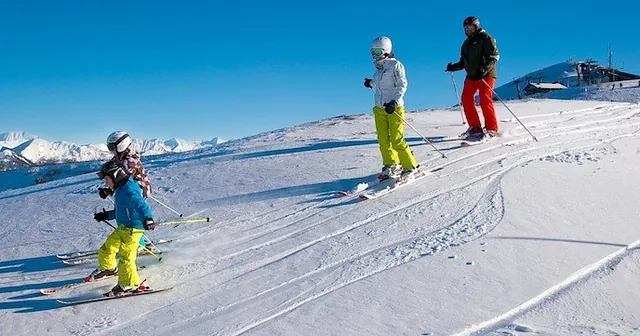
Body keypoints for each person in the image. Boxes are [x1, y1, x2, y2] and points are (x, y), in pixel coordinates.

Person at [89, 160, 156, 295]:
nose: (106, 183)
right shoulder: (121, 190)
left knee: (126, 258)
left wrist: (148, 218)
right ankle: (109, 268)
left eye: (107, 180)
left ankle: (129, 284)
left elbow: (141, 205)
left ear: (116, 176)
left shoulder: (129, 191)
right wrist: (106, 215)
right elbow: (122, 211)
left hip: (133, 230)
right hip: (123, 228)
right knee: (107, 248)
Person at [364, 36, 420, 180]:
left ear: (386, 51)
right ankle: (391, 164)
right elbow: (380, 86)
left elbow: (402, 85)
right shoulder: (378, 70)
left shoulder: (396, 65)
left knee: (396, 139)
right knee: (383, 139)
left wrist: (394, 102)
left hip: (394, 108)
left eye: (377, 52)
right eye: (372, 52)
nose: (374, 55)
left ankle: (410, 166)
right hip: (379, 108)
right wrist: (370, 83)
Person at [446, 16, 500, 141]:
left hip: (486, 75)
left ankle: (491, 128)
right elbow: (463, 62)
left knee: (484, 99)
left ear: (476, 26)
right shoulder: (466, 44)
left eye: (469, 27)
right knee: (466, 99)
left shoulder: (486, 38)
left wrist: (484, 69)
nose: (467, 30)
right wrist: (453, 67)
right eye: (465, 28)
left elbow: (494, 56)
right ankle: (475, 127)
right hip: (472, 76)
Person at [98, 131, 153, 249]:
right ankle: (136, 241)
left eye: (111, 147)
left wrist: (111, 190)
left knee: (133, 218)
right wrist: (108, 190)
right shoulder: (120, 157)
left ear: (121, 144)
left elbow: (123, 181)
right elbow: (117, 181)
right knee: (124, 213)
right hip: (126, 191)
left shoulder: (130, 160)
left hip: (136, 191)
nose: (110, 150)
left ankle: (138, 244)